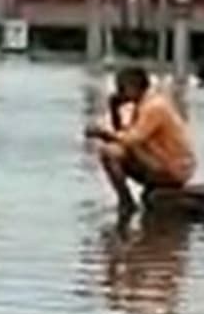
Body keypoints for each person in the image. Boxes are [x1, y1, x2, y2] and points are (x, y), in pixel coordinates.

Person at [84, 65, 197, 215]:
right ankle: (134, 199)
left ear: (133, 87)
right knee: (114, 149)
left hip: (172, 168)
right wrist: (115, 111)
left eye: (121, 88)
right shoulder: (145, 104)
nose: (118, 93)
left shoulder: (154, 107)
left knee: (109, 153)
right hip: (162, 161)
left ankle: (126, 202)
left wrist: (103, 133)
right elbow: (125, 135)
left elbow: (131, 140)